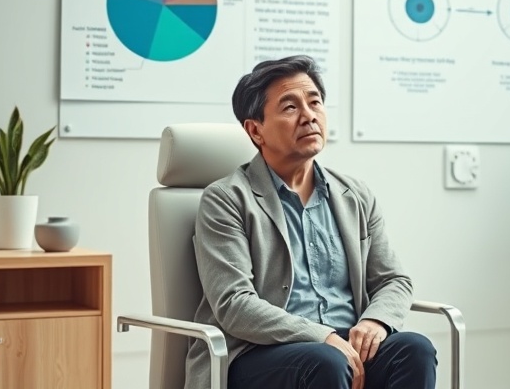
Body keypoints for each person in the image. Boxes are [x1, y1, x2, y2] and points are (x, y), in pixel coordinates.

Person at [183, 55, 437, 389]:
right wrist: (322, 336)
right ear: (255, 129)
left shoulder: (354, 194)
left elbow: (394, 280)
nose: (309, 116)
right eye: (290, 107)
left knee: (414, 348)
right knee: (325, 361)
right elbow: (235, 305)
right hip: (260, 354)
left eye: (314, 102)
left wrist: (377, 321)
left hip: (342, 349)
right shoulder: (227, 199)